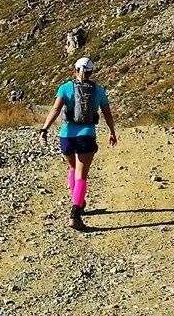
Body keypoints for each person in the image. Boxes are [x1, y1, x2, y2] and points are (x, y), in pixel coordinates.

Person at [38, 57, 116, 230]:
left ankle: (78, 200)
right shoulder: (99, 90)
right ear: (91, 73)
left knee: (73, 169)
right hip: (86, 136)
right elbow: (107, 114)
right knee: (82, 176)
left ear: (75, 70)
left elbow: (56, 109)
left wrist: (44, 129)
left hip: (66, 136)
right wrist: (112, 131)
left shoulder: (65, 87)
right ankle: (75, 214)